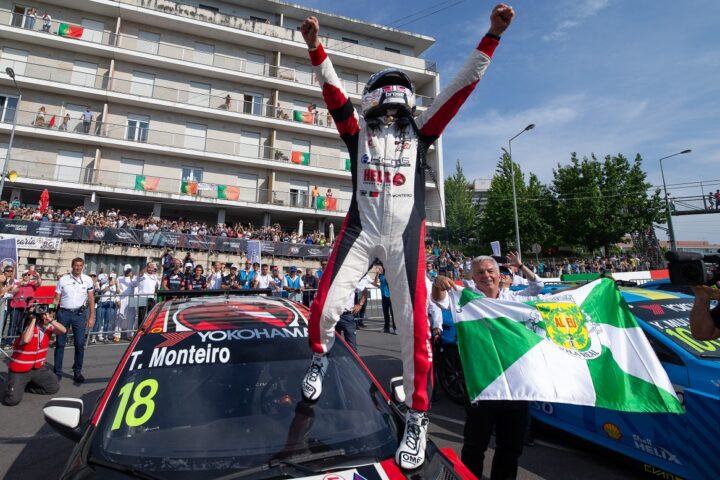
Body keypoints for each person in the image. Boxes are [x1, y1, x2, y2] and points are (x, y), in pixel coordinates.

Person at [299, 4, 515, 468]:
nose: (394, 114)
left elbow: (459, 89)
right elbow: (333, 92)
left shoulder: (421, 132)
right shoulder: (356, 132)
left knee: (415, 332)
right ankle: (319, 357)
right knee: (325, 307)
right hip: (361, 229)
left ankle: (418, 416)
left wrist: (491, 37)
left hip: (405, 238)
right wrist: (316, 47)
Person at [432, 254, 543, 480]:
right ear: (473, 278)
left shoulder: (513, 298)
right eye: (480, 272)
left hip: (515, 387)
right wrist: (438, 284)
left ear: (499, 275)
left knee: (511, 448)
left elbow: (538, 286)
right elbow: (440, 300)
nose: (486, 276)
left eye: (490, 271)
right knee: (475, 446)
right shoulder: (466, 299)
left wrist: (521, 266)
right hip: (481, 385)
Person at [3, 305, 66, 406]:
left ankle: (25, 387)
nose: (47, 316)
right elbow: (26, 339)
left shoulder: (48, 329)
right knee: (12, 400)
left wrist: (50, 320)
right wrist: (34, 319)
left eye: (50, 314)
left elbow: (63, 330)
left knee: (53, 387)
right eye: (46, 315)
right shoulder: (29, 328)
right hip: (20, 370)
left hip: (37, 368)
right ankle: (12, 386)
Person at [53, 257, 95, 384]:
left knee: (79, 344)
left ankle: (77, 371)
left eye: (80, 266)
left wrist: (92, 316)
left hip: (79, 315)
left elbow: (91, 299)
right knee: (60, 344)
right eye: (76, 265)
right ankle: (57, 372)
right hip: (63, 314)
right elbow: (56, 299)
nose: (78, 268)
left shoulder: (87, 280)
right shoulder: (63, 280)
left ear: (83, 267)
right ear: (72, 266)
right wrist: (50, 314)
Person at [7, 269, 41, 345]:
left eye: (28, 275)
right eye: (25, 274)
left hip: (27, 307)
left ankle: (19, 341)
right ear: (22, 276)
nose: (27, 276)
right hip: (16, 307)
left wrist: (38, 276)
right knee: (13, 325)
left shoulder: (32, 283)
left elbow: (39, 283)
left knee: (22, 325)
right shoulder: (17, 283)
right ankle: (9, 342)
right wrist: (20, 285)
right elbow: (13, 291)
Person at [131, 262, 160, 328]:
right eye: (149, 267)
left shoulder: (154, 277)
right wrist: (147, 267)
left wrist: (154, 294)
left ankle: (148, 329)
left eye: (152, 267)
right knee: (141, 316)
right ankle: (140, 330)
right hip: (142, 297)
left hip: (151, 298)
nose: (151, 269)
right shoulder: (143, 274)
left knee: (151, 316)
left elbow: (156, 287)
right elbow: (140, 274)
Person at [93, 273, 117, 343]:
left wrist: (117, 285)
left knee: (107, 321)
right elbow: (102, 291)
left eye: (112, 278)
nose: (111, 280)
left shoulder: (115, 286)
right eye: (110, 278)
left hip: (110, 304)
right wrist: (109, 285)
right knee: (98, 321)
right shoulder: (103, 284)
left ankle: (105, 337)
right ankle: (93, 337)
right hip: (102, 304)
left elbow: (118, 292)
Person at [116, 264, 137, 340]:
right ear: (124, 270)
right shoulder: (119, 278)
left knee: (131, 317)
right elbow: (117, 290)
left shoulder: (134, 278)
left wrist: (131, 278)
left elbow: (135, 285)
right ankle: (117, 334)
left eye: (129, 270)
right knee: (119, 315)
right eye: (127, 271)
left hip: (132, 298)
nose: (128, 272)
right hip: (122, 298)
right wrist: (117, 299)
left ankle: (130, 334)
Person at [373, 266, 396, 333]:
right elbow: (375, 282)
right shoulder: (380, 276)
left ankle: (395, 328)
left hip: (390, 296)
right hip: (384, 296)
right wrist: (377, 274)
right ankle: (386, 328)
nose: (379, 270)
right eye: (379, 269)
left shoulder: (388, 275)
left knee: (393, 313)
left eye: (380, 268)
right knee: (385, 313)